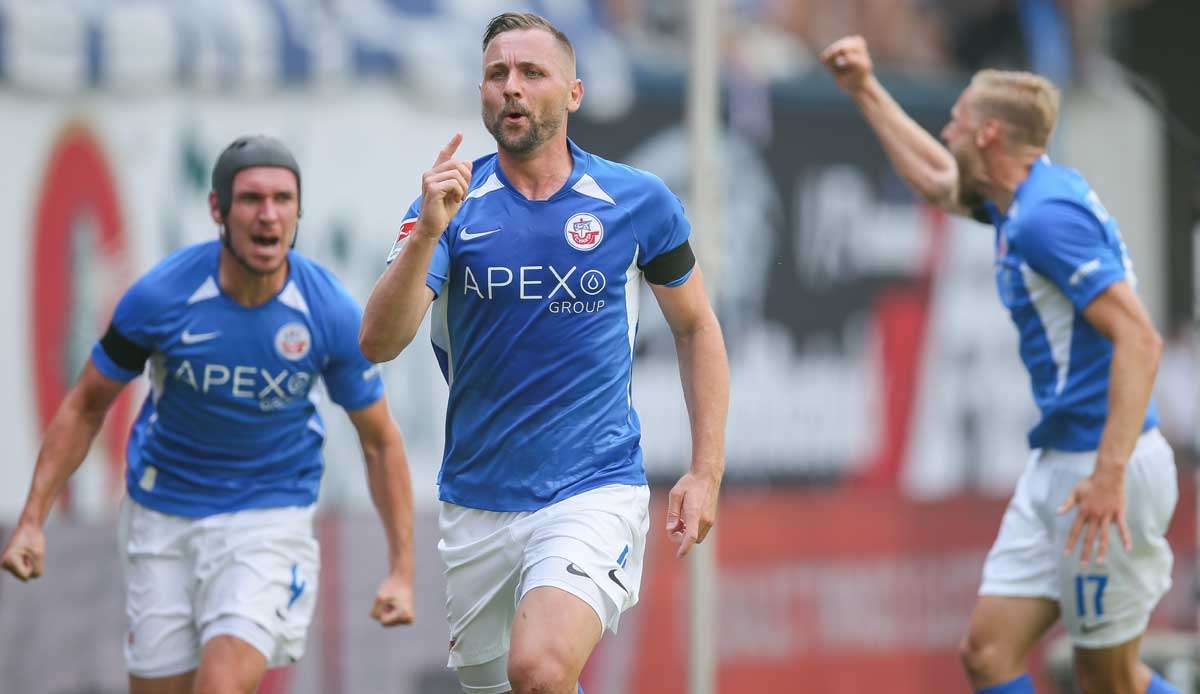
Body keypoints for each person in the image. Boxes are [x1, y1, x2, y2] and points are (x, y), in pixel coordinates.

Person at [360, 12, 729, 694]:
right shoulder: (449, 206)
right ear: (481, 91)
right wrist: (425, 234)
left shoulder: (636, 200)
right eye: (498, 74)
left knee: (540, 667)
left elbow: (696, 328)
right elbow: (378, 342)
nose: (513, 88)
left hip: (592, 489)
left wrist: (705, 471)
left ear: (574, 93)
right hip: (476, 500)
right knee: (511, 683)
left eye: (533, 73)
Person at [820, 36, 1178, 694]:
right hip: (1060, 467)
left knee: (1109, 680)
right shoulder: (1023, 199)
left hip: (1103, 469)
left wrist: (1109, 474)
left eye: (956, 118)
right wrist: (866, 88)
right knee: (987, 653)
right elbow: (935, 179)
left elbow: (1141, 340)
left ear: (987, 134)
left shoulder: (1044, 219)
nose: (947, 128)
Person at [1, 135, 416, 694]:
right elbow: (84, 406)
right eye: (250, 199)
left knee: (219, 686)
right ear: (217, 209)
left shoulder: (327, 310)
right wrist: (32, 519)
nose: (268, 215)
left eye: (282, 199)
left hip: (268, 518)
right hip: (161, 515)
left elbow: (379, 441)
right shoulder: (162, 297)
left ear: (298, 210)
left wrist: (401, 568)